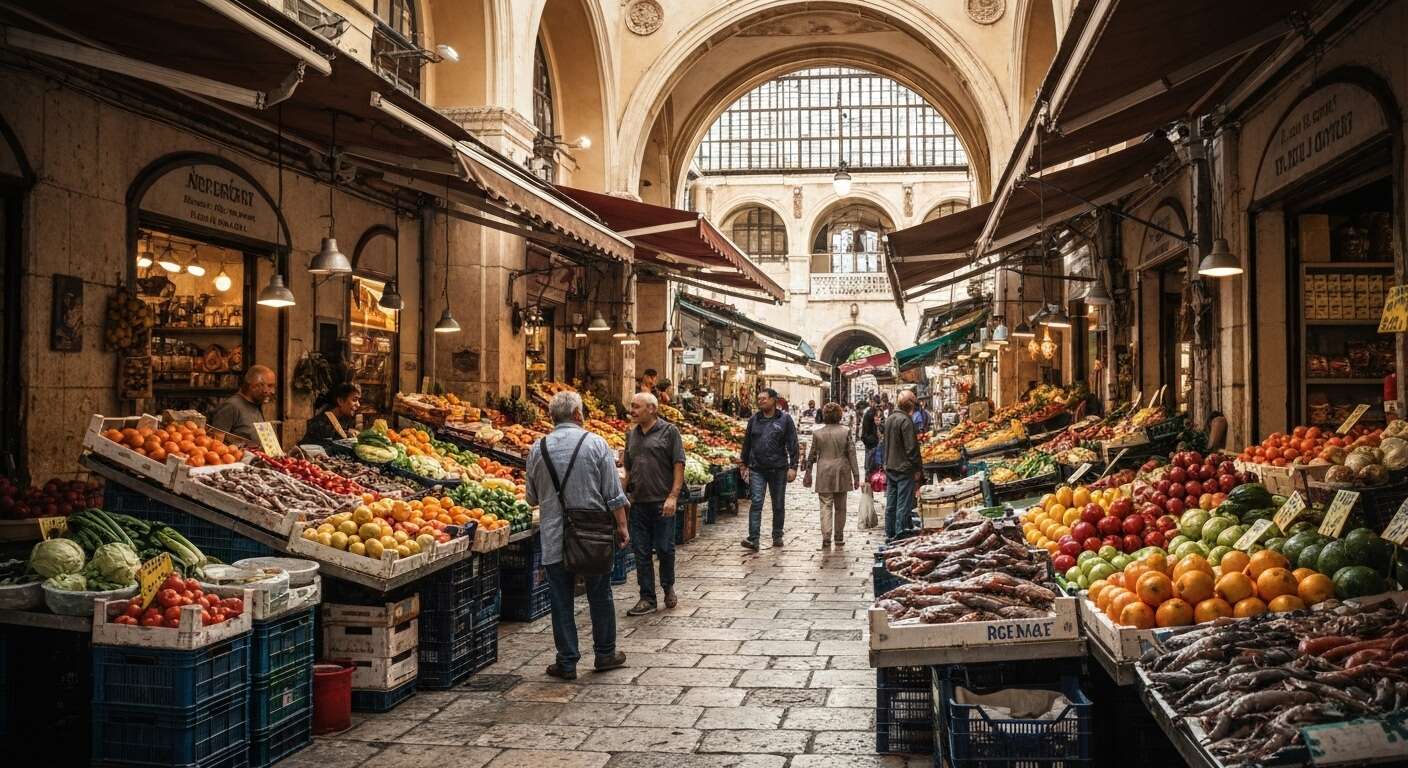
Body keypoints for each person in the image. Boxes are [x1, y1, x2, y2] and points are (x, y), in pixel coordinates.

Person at [524, 391, 630, 680]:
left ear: (551, 417)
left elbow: (531, 498)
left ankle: (567, 661)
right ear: (578, 415)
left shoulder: (537, 448)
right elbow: (613, 494)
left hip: (554, 536)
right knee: (599, 594)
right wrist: (622, 526)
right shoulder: (596, 443)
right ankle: (605, 653)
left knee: (560, 599)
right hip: (592, 535)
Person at [621, 392, 686, 616]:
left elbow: (679, 465)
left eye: (636, 406)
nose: (632, 410)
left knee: (665, 548)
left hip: (662, 502)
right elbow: (627, 469)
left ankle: (668, 586)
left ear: (652, 409)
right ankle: (647, 597)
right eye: (632, 406)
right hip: (638, 503)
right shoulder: (631, 434)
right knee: (640, 551)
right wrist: (622, 495)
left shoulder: (670, 432)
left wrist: (673, 496)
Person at [738, 388, 799, 550]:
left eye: (764, 398)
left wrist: (793, 466)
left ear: (773, 400)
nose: (761, 401)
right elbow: (747, 444)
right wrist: (743, 463)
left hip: (778, 469)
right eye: (759, 399)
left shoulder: (785, 419)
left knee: (778, 504)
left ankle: (777, 535)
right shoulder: (754, 420)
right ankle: (753, 538)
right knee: (756, 502)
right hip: (757, 468)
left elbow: (793, 444)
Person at [805, 403, 860, 548]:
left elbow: (812, 454)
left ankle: (826, 536)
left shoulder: (817, 433)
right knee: (841, 506)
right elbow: (852, 454)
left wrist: (808, 472)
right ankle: (839, 535)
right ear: (840, 415)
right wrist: (856, 475)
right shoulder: (845, 431)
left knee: (825, 504)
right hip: (841, 470)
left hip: (824, 471)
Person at [883, 390, 923, 539]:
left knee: (891, 504)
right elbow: (911, 448)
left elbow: (885, 444)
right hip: (904, 468)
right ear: (910, 405)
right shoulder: (905, 421)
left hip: (891, 467)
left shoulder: (890, 418)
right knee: (902, 505)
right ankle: (900, 534)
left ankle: (890, 533)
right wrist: (918, 468)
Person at [209, 364, 276, 442]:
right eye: (269, 386)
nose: (272, 391)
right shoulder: (231, 406)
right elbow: (216, 443)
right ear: (254, 386)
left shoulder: (256, 405)